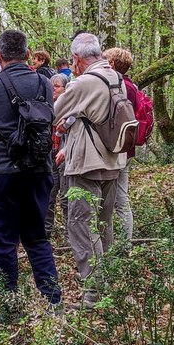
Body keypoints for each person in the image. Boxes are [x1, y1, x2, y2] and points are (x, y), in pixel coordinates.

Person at [0, 30, 62, 321]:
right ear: (27, 54)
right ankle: (53, 301)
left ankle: (9, 305)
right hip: (39, 169)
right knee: (36, 238)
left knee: (3, 241)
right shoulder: (45, 83)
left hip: (1, 170)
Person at [53, 33, 127, 307]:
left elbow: (54, 111)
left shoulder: (84, 82)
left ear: (77, 59)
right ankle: (106, 285)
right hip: (113, 161)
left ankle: (94, 291)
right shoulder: (116, 77)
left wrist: (69, 120)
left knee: (80, 225)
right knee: (103, 224)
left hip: (87, 162)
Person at [103, 47, 139, 246]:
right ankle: (124, 243)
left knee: (114, 201)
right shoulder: (131, 86)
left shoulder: (117, 87)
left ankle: (119, 246)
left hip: (115, 151)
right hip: (126, 149)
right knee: (120, 198)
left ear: (112, 64)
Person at [44, 73, 69, 237]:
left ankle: (70, 232)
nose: (54, 89)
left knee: (67, 196)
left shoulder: (70, 106)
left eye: (57, 86)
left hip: (65, 155)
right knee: (48, 194)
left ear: (65, 89)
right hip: (49, 154)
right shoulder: (46, 105)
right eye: (52, 85)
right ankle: (46, 230)